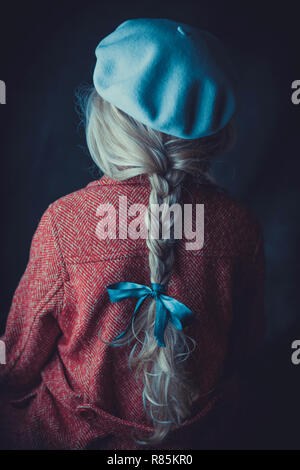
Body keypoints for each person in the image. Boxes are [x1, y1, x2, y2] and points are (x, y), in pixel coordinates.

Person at [0, 18, 265, 450]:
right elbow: (244, 350)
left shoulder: (67, 222)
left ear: (109, 123)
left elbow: (16, 359)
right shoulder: (240, 228)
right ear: (214, 137)